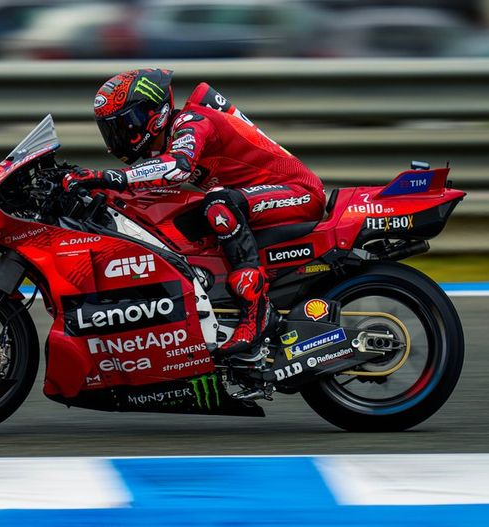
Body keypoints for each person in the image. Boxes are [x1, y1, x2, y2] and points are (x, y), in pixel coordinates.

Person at [63, 68, 325, 357]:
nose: (118, 135)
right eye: (110, 128)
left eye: (125, 123)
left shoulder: (192, 122)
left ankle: (258, 313)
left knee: (218, 203)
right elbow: (144, 182)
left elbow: (178, 167)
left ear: (152, 113)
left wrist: (108, 176)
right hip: (255, 199)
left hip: (298, 193)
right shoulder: (163, 142)